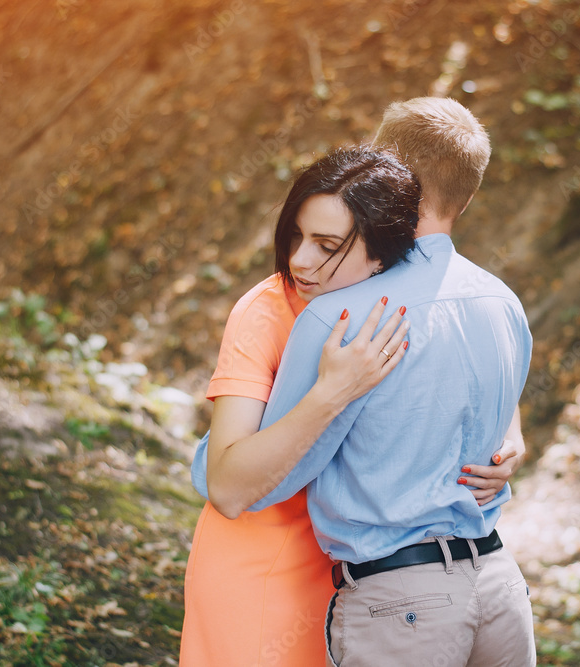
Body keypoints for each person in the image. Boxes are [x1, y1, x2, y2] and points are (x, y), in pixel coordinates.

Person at [179, 145, 522, 667]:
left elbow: (470, 374)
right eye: (296, 236)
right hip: (266, 557)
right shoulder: (267, 311)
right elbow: (226, 482)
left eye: (326, 244)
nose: (299, 260)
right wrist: (330, 392)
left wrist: (506, 442)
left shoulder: (393, 308)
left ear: (387, 244)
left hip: (362, 573)